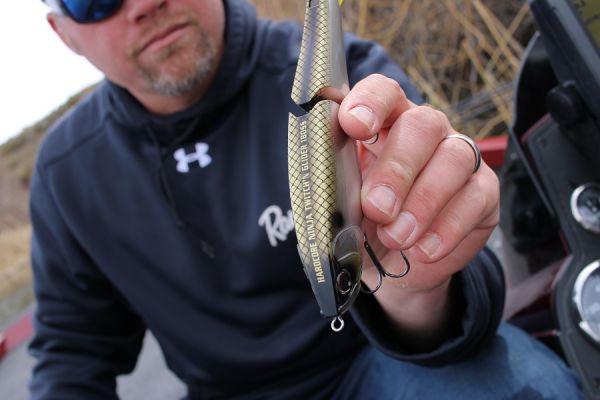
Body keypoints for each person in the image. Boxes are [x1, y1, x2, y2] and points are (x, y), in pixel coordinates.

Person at [28, 0, 581, 399]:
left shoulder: (341, 71)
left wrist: (421, 286)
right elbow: (72, 355)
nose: (145, 4)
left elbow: (460, 292)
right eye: (94, 0)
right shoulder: (63, 175)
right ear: (64, 33)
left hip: (378, 359)